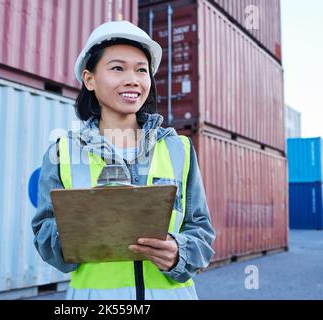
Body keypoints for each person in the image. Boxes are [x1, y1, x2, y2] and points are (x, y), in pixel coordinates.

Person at [32, 20, 215, 300]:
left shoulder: (180, 149)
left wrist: (179, 253)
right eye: (117, 68)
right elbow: (45, 237)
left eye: (142, 70)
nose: (133, 79)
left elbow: (201, 231)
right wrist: (81, 234)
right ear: (89, 79)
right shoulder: (62, 153)